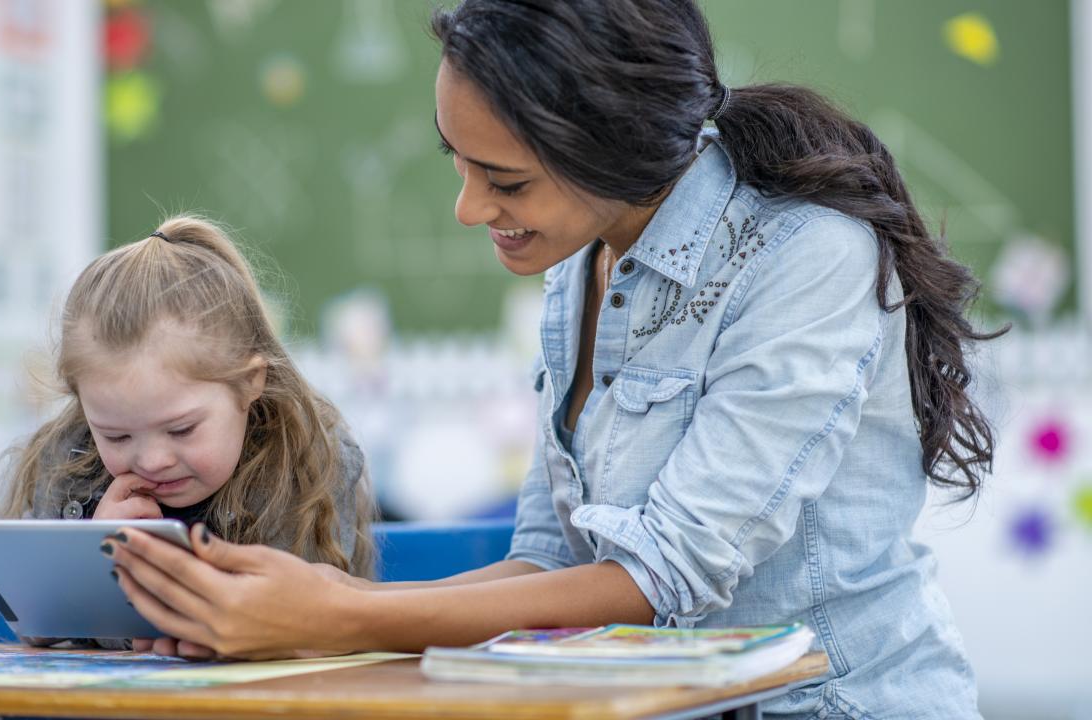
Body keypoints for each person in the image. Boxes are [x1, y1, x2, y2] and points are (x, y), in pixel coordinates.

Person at [105, 1, 1001, 715]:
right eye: (458, 162)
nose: (468, 208)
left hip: (832, 704)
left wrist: (341, 616)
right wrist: (303, 613)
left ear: (612, 147)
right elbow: (548, 559)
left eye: (505, 181)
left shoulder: (808, 255)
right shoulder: (583, 259)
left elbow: (666, 575)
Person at [0, 214, 374, 650]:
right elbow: (36, 626)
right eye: (116, 436)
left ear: (250, 383)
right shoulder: (68, 458)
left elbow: (308, 621)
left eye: (182, 429)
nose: (151, 460)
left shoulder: (307, 462)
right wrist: (90, 555)